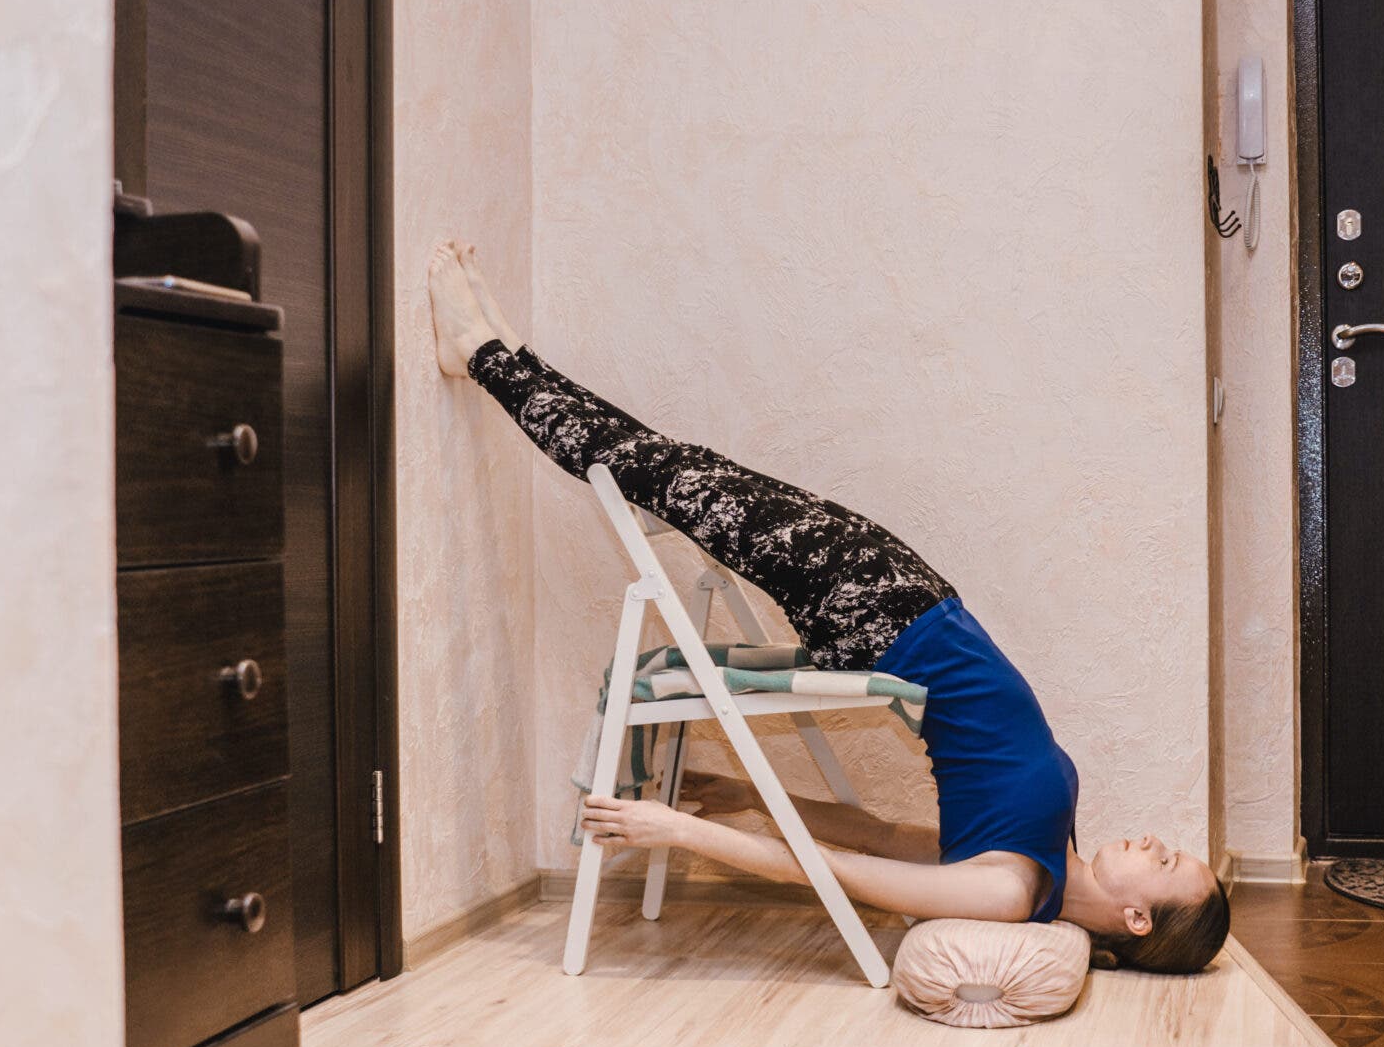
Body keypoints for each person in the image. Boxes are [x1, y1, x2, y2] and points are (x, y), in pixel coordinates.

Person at [428, 242, 1229, 974]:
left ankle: (487, 358)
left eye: (1165, 865)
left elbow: (842, 871)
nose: (1158, 843)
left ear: (1133, 917)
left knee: (666, 475)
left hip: (878, 621)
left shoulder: (1011, 894)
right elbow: (879, 834)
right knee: (676, 468)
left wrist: (687, 833)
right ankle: (508, 359)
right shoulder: (1049, 859)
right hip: (909, 601)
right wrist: (748, 797)